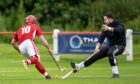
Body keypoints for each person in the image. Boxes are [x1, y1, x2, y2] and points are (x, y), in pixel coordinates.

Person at [70, 12, 126, 78]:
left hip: (120, 46)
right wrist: (97, 47)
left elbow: (119, 30)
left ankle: (115, 74)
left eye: (105, 19)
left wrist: (109, 28)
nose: (104, 21)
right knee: (95, 55)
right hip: (110, 45)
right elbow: (101, 38)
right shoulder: (105, 28)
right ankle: (78, 67)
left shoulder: (119, 24)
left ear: (110, 19)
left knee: (110, 52)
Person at [11, 15, 52, 79]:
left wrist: (19, 50)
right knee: (36, 58)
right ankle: (26, 62)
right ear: (32, 20)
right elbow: (43, 40)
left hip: (21, 46)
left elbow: (13, 42)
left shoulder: (20, 29)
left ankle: (46, 75)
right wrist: (48, 48)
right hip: (28, 42)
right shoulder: (35, 27)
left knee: (36, 60)